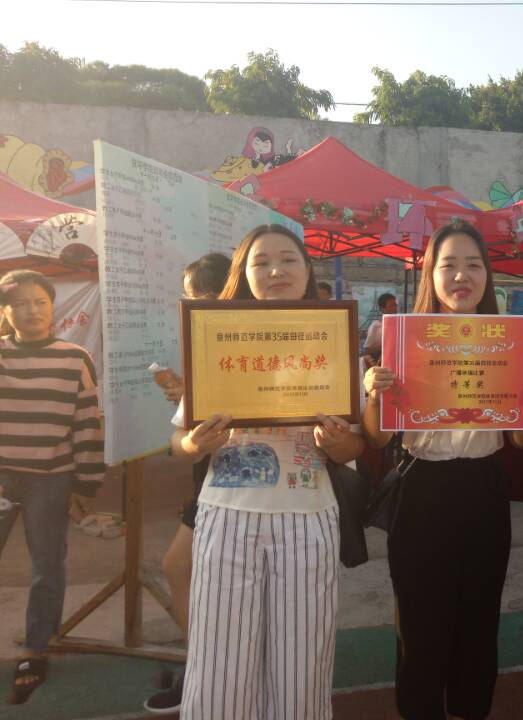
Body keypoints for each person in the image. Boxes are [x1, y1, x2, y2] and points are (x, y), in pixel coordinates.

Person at [362, 221, 523, 720]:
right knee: (419, 621)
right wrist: (374, 394)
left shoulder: (513, 343)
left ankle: (472, 710)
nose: (461, 276)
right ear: (430, 274)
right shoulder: (404, 340)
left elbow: (520, 440)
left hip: (482, 488)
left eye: (473, 265)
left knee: (478, 617)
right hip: (421, 489)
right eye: (448, 265)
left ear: (487, 276)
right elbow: (379, 438)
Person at [173, 225, 365, 719]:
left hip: (308, 516)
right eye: (261, 262)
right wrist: (196, 442)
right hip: (227, 516)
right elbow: (180, 443)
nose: (276, 270)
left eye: (288, 260)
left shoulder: (334, 342)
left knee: (303, 664)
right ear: (244, 274)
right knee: (219, 664)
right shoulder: (217, 340)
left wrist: (337, 443)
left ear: (307, 271)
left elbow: (354, 445)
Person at [0, 270, 105, 705]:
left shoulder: (74, 358)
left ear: (52, 306)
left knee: (47, 564)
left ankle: (35, 648)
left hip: (51, 478)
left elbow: (87, 423)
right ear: (5, 311)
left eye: (40, 301)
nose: (32, 310)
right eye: (20, 303)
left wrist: (86, 483)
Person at [143, 252, 230, 715]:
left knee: (180, 568)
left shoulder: (236, 343)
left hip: (238, 483)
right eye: (191, 296)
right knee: (179, 568)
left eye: (206, 294)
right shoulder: (204, 344)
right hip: (209, 481)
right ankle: (203, 666)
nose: (196, 304)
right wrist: (186, 401)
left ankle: (207, 670)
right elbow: (182, 441)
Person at [362, 292, 398, 366]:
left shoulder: (400, 325)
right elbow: (367, 350)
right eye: (391, 306)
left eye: (395, 305)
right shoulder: (376, 326)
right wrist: (386, 347)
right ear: (383, 309)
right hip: (383, 364)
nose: (394, 308)